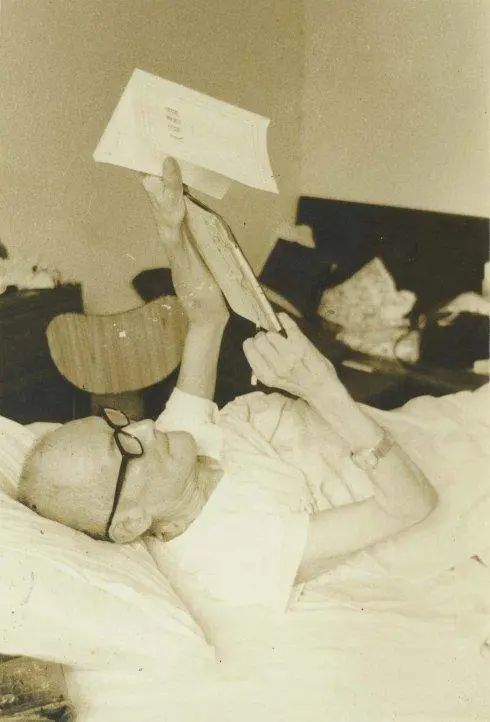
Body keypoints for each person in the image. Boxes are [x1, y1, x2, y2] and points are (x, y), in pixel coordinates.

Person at [18, 158, 437, 582]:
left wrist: (172, 230)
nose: (144, 426)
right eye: (124, 447)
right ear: (130, 523)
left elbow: (206, 315)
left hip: (397, 439)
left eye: (118, 423)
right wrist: (323, 388)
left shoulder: (176, 459)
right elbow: (410, 506)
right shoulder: (238, 547)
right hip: (412, 483)